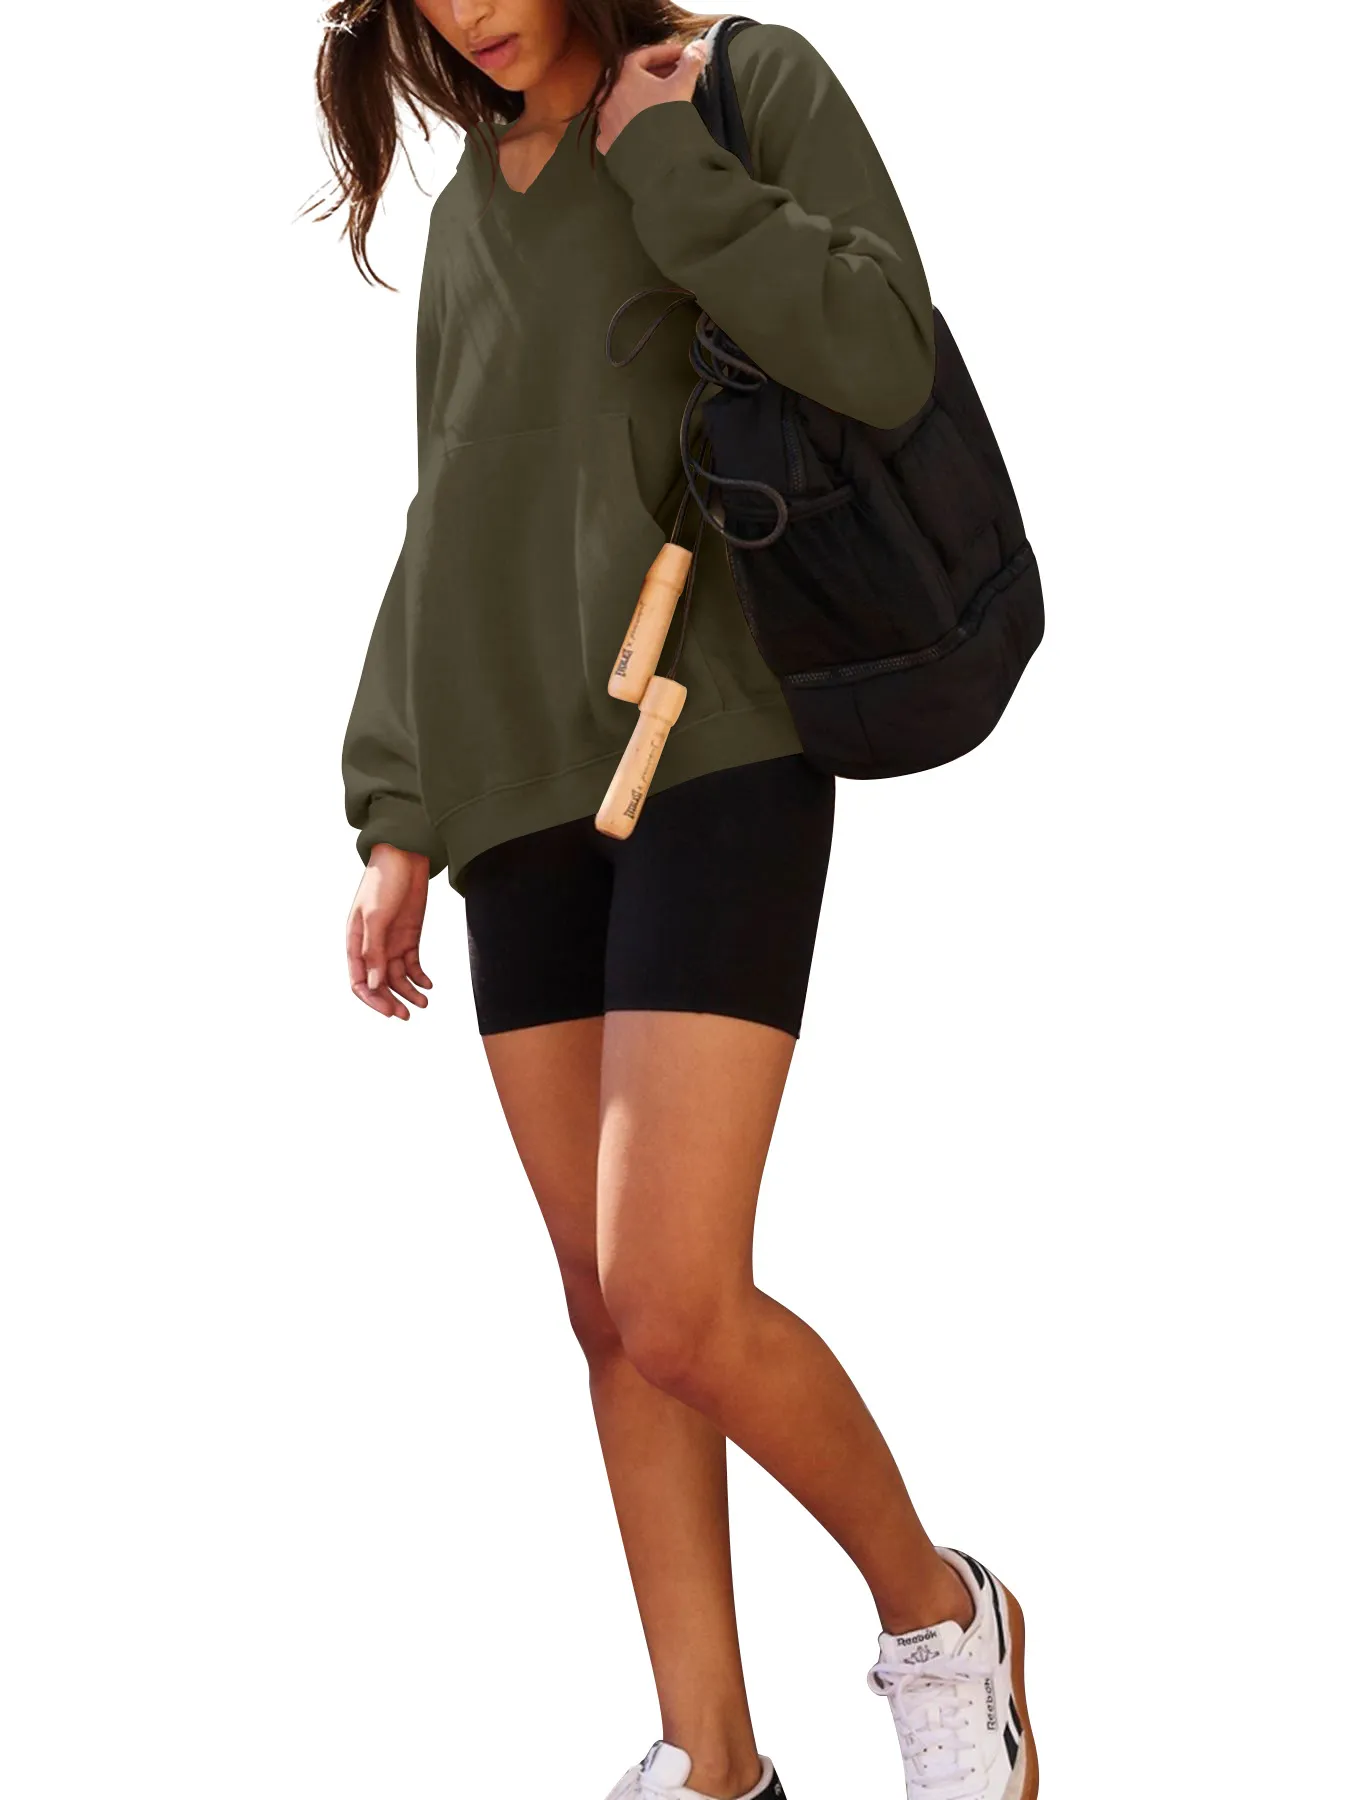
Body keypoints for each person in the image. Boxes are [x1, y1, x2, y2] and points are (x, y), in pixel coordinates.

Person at [316, 4, 1037, 1796]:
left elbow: (877, 350)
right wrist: (397, 807)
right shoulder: (470, 213)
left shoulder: (732, 88)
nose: (466, 7)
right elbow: (450, 511)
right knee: (603, 1308)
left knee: (671, 1292)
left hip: (718, 746)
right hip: (512, 789)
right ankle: (712, 1759)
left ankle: (942, 1620)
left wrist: (664, 165)